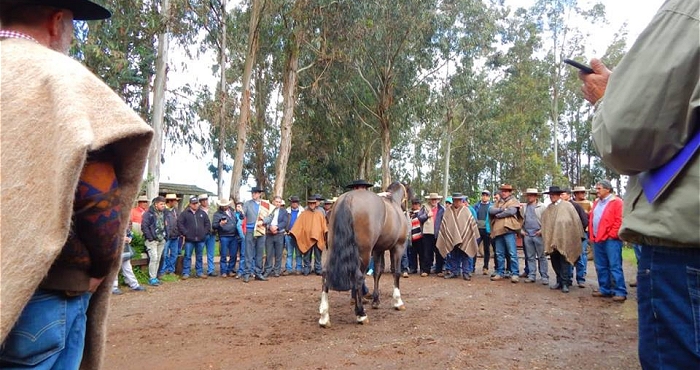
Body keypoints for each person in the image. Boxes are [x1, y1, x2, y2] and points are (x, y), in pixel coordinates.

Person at [0, 1, 153, 368]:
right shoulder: (60, 80)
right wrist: (101, 266)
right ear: (57, 22)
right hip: (45, 294)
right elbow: (95, 195)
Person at [579, 2, 698, 366]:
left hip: (686, 248)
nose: (596, 193)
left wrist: (610, 99)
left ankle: (615, 289)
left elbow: (627, 134)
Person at [540, 186, 584, 293]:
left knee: (565, 261)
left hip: (565, 239)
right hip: (552, 241)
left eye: (554, 195)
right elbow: (545, 224)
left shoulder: (568, 206)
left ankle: (565, 283)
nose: (552, 197)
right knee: (555, 262)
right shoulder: (548, 208)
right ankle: (559, 281)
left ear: (559, 195)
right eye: (550, 195)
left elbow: (575, 222)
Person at [588, 180, 626, 301]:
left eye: (599, 188)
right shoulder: (596, 202)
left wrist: (612, 235)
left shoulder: (617, 202)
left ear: (607, 189)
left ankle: (619, 291)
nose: (597, 191)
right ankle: (605, 289)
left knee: (614, 265)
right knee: (600, 265)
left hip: (611, 240)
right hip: (597, 238)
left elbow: (619, 220)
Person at [437, 193, 480, 280]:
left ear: (461, 201)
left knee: (466, 253)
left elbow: (471, 224)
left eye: (459, 200)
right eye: (455, 200)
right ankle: (454, 271)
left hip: (465, 237)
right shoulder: (448, 211)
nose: (457, 202)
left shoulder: (466, 210)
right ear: (453, 201)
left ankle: (466, 272)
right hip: (452, 237)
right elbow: (445, 225)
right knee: (453, 254)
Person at [489, 184, 522, 283]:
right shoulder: (498, 202)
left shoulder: (514, 201)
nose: (504, 192)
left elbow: (511, 211)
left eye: (506, 191)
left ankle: (515, 273)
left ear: (510, 192)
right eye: (502, 191)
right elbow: (490, 210)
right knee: (499, 253)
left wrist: (498, 215)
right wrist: (502, 210)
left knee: (512, 253)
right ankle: (500, 272)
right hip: (498, 231)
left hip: (509, 231)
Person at [289, 196, 328, 276]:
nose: (312, 205)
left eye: (313, 203)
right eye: (310, 203)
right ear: (308, 204)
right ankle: (307, 268)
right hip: (306, 238)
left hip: (318, 238)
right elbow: (298, 225)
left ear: (315, 203)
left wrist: (326, 233)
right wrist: (292, 232)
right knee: (307, 255)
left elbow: (324, 225)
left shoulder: (320, 214)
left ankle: (318, 268)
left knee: (318, 255)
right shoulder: (304, 214)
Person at [561, 188, 589, 288]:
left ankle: (580, 279)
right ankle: (568, 279)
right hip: (566, 236)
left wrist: (578, 232)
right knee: (568, 257)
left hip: (578, 235)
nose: (561, 196)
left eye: (563, 194)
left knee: (580, 256)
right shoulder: (560, 207)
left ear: (569, 195)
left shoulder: (576, 206)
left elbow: (585, 220)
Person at [178, 196, 211, 279]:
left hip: (201, 239)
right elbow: (180, 224)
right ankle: (186, 272)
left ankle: (199, 272)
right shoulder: (184, 214)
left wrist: (204, 233)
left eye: (196, 203)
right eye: (193, 203)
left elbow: (207, 224)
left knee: (199, 256)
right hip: (189, 239)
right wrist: (185, 233)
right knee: (187, 256)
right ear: (190, 204)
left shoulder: (202, 213)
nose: (195, 205)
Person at [520, 188, 548, 285]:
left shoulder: (542, 207)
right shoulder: (524, 207)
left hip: (538, 234)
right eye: (528, 195)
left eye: (532, 195)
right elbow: (520, 220)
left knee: (542, 256)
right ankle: (532, 275)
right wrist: (521, 231)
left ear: (536, 196)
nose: (530, 197)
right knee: (530, 256)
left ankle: (544, 276)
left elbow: (547, 221)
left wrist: (542, 230)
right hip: (527, 235)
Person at [242, 187, 270, 282]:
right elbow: (243, 215)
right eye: (252, 193)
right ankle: (247, 273)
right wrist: (240, 212)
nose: (253, 194)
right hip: (250, 230)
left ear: (259, 194)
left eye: (255, 193)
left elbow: (270, 216)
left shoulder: (265, 204)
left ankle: (258, 273)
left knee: (260, 252)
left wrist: (264, 221)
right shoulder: (247, 204)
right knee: (248, 252)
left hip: (261, 230)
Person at [417, 192, 445, 276]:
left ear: (438, 200)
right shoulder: (424, 207)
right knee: (427, 252)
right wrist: (427, 215)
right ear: (429, 200)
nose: (434, 201)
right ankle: (426, 270)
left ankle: (439, 270)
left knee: (439, 252)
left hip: (438, 233)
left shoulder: (442, 209)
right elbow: (420, 218)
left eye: (435, 199)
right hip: (427, 233)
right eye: (432, 199)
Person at [112, 226, 146, 295]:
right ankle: (113, 287)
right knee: (114, 270)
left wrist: (129, 239)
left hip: (125, 250)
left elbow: (130, 233)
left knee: (128, 269)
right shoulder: (111, 224)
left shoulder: (124, 223)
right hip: (114, 250)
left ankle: (134, 285)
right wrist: (121, 239)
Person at [142, 196, 167, 286]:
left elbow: (166, 224)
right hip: (152, 240)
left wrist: (165, 237)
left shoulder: (164, 213)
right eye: (161, 204)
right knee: (154, 258)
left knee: (158, 259)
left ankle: (155, 277)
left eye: (164, 204)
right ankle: (152, 278)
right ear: (156, 204)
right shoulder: (148, 213)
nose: (163, 206)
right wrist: (150, 238)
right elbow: (144, 226)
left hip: (161, 239)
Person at [263, 196, 289, 278]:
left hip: (279, 234)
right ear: (273, 202)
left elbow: (285, 222)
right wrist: (270, 227)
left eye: (279, 202)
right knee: (269, 253)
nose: (278, 203)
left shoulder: (284, 211)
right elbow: (264, 220)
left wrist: (277, 227)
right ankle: (267, 270)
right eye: (276, 201)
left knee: (279, 253)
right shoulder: (268, 210)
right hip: (269, 234)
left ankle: (277, 270)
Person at [213, 199, 238, 278]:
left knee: (233, 254)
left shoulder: (233, 212)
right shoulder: (217, 214)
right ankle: (223, 271)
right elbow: (214, 225)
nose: (225, 206)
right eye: (223, 205)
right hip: (224, 236)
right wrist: (220, 224)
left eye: (226, 205)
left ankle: (230, 270)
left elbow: (237, 221)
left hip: (234, 235)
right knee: (223, 254)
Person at [159, 193, 182, 277]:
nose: (176, 202)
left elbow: (179, 222)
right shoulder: (163, 210)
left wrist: (180, 232)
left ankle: (171, 270)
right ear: (170, 201)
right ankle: (163, 271)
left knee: (174, 254)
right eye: (175, 201)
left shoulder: (176, 211)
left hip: (175, 236)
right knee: (164, 254)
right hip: (166, 237)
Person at [473, 190, 493, 275]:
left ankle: (485, 267)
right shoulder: (476, 206)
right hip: (477, 229)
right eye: (483, 195)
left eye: (486, 195)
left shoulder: (492, 206)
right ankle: (472, 267)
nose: (484, 196)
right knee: (474, 248)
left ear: (489, 197)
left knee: (486, 249)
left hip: (487, 230)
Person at [283, 196, 305, 275]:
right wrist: (285, 230)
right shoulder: (287, 211)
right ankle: (289, 269)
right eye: (292, 202)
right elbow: (284, 221)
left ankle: (298, 268)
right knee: (289, 253)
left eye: (295, 202)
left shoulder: (303, 212)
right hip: (288, 234)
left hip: (298, 235)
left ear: (298, 203)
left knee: (299, 253)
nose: (294, 204)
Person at [198, 193, 218, 277]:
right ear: (200, 202)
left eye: (206, 200)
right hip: (202, 234)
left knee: (211, 252)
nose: (205, 201)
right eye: (203, 200)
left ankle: (211, 270)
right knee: (199, 252)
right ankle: (199, 270)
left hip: (212, 233)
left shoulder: (213, 210)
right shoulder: (197, 211)